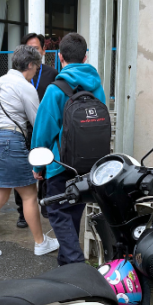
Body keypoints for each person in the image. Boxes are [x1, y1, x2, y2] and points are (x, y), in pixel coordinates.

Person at [0, 45, 59, 258]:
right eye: (37, 66)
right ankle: (40, 242)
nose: (37, 71)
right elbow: (38, 122)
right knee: (29, 195)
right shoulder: (26, 87)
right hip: (13, 142)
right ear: (29, 65)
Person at [31, 32, 106, 266]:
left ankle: (75, 265)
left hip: (59, 165)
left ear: (60, 57)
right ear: (85, 57)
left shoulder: (56, 89)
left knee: (58, 213)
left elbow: (43, 130)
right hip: (87, 165)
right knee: (73, 214)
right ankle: (66, 268)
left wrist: (37, 164)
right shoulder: (96, 87)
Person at [12, 33, 57, 227]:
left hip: (44, 128)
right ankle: (22, 212)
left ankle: (45, 204)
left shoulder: (52, 74)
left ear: (43, 51)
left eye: (36, 49)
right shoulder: (16, 75)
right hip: (22, 129)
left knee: (44, 165)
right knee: (22, 169)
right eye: (29, 49)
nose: (33, 53)